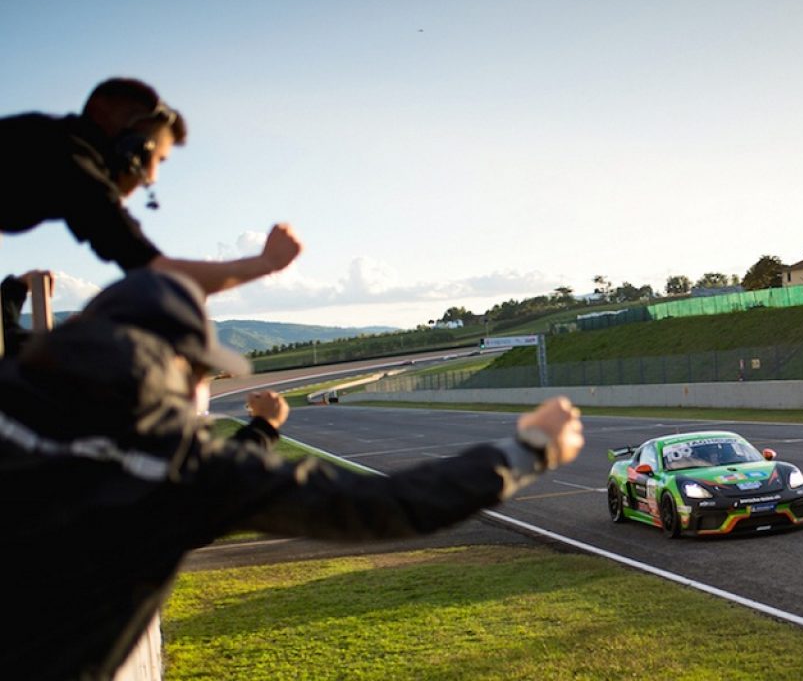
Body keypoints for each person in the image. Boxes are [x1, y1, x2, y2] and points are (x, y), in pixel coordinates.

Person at [0, 269, 585, 680]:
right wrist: (525, 451)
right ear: (180, 369)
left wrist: (12, 303)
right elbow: (382, 505)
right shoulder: (179, 468)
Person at [0, 78, 302, 294]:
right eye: (157, 158)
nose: (152, 177)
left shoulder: (45, 138)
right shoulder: (73, 163)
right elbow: (158, 276)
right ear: (132, 149)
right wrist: (266, 262)